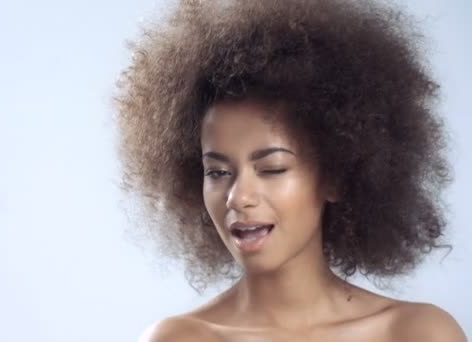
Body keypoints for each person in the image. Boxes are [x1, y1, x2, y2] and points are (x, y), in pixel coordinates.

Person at [113, 0, 467, 340]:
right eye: (218, 172)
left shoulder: (417, 334)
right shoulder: (180, 339)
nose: (238, 197)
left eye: (272, 168)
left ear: (335, 177)